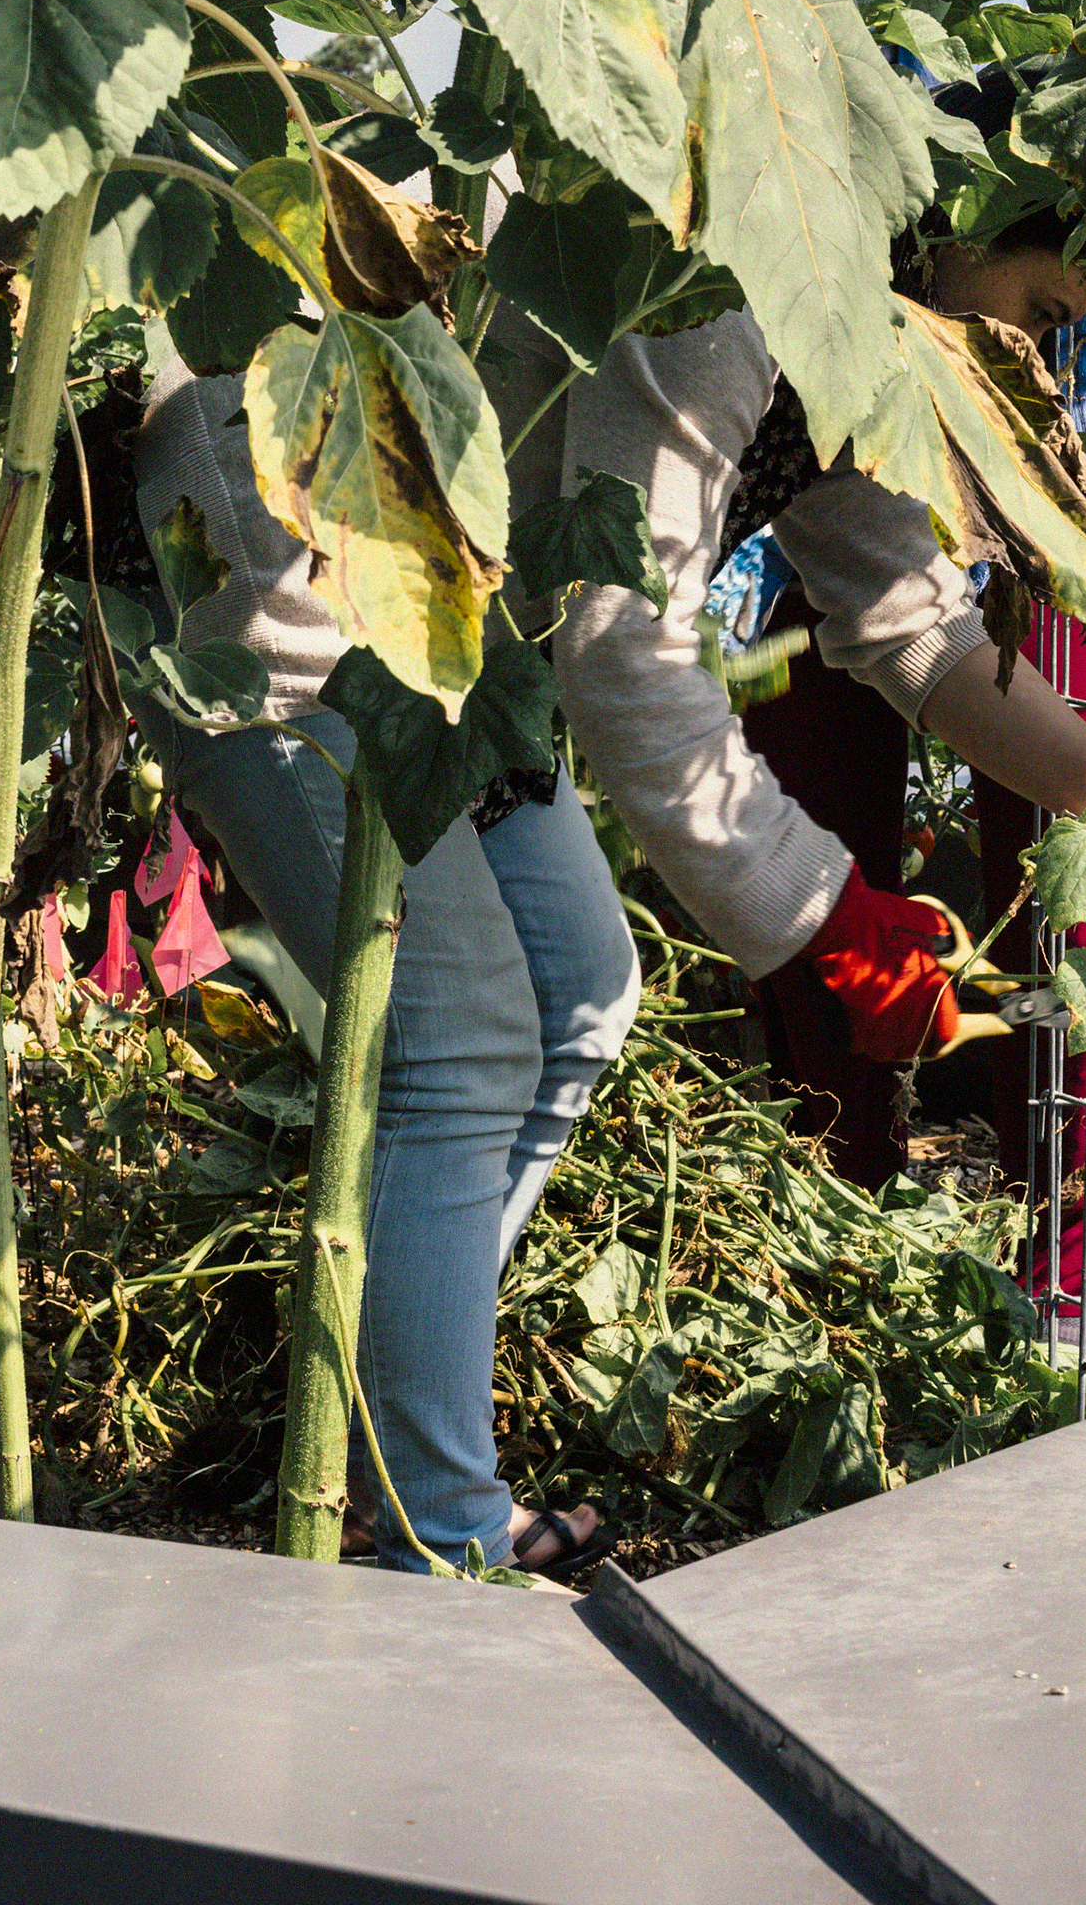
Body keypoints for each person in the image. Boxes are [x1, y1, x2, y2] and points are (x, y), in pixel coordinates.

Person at [560, 0, 1086, 1159]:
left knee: (536, 1018)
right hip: (345, 592)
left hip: (458, 646)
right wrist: (828, 913)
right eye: (1043, 315)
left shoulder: (857, 315)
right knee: (513, 1023)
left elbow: (906, 619)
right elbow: (615, 631)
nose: (1040, 363)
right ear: (963, 225)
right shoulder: (740, 262)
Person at [133, 353, 639, 1581]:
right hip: (279, 628)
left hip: (446, 618)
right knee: (461, 1048)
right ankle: (437, 1527)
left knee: (581, 985)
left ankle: (390, 1436)